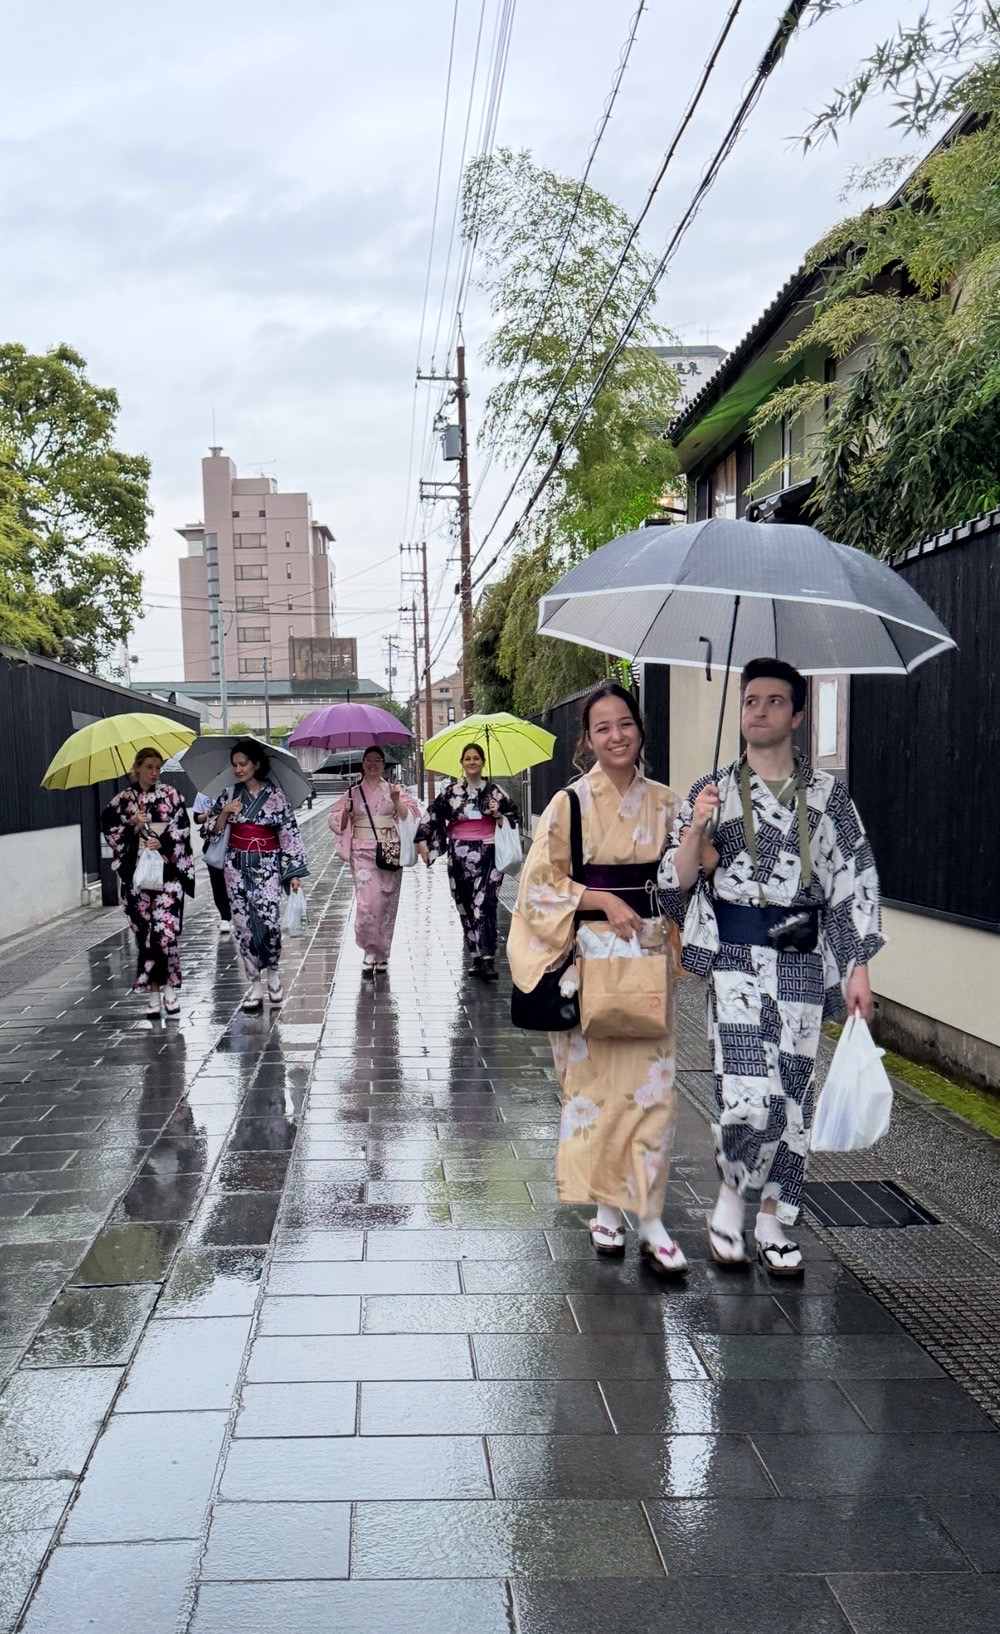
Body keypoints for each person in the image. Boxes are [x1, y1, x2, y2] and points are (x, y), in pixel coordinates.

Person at [659, 657, 884, 1277]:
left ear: (798, 715)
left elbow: (850, 886)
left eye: (773, 701)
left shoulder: (830, 798)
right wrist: (694, 830)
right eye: (750, 700)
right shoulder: (714, 791)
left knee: (789, 1099)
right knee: (747, 1094)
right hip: (736, 958)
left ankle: (772, 1218)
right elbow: (674, 887)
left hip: (802, 962)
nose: (758, 711)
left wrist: (858, 965)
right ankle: (731, 1200)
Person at [507, 683, 687, 1276]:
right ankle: (609, 1213)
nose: (617, 735)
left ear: (640, 730)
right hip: (586, 964)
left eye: (625, 723)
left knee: (652, 1091)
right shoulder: (569, 804)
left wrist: (702, 829)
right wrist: (599, 898)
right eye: (603, 727)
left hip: (647, 958)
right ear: (588, 740)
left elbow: (686, 880)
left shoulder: (667, 803)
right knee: (595, 1092)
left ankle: (652, 1220)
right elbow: (536, 886)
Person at [209, 740, 308, 1013]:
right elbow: (211, 832)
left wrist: (294, 873)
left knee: (267, 920)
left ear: (256, 764)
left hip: (266, 864)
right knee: (242, 924)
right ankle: (254, 983)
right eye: (235, 765)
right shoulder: (229, 794)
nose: (238, 769)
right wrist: (225, 813)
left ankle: (273, 973)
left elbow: (289, 835)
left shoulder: (276, 797)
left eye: (243, 764)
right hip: (235, 863)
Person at [101, 747, 195, 1020]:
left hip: (168, 875)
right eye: (149, 767)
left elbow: (183, 831)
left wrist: (162, 841)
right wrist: (133, 826)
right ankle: (153, 992)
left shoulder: (172, 796)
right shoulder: (122, 800)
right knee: (146, 938)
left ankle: (169, 990)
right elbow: (110, 830)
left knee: (165, 934)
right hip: (138, 878)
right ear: (137, 768)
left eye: (158, 767)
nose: (155, 772)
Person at [416, 742, 519, 981]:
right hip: (459, 853)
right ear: (462, 763)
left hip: (489, 853)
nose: (472, 762)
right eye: (468, 758)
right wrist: (422, 840)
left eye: (476, 758)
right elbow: (433, 815)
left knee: (486, 902)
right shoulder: (451, 792)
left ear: (483, 762)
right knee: (465, 903)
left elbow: (515, 816)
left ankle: (488, 958)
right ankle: (475, 955)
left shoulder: (495, 792)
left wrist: (498, 814)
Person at [329, 744, 420, 977]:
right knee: (367, 904)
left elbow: (411, 815)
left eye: (377, 760)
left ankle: (382, 953)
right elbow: (334, 819)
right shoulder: (352, 792)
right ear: (362, 763)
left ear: (383, 764)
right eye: (368, 759)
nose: (373, 764)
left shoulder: (393, 789)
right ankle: (369, 950)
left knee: (386, 904)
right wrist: (346, 813)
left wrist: (396, 800)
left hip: (388, 851)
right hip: (361, 853)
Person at [192, 790, 232, 935]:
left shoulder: (235, 791)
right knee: (217, 881)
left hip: (234, 842)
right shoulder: (203, 793)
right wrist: (207, 815)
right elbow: (196, 818)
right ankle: (225, 916)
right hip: (212, 844)